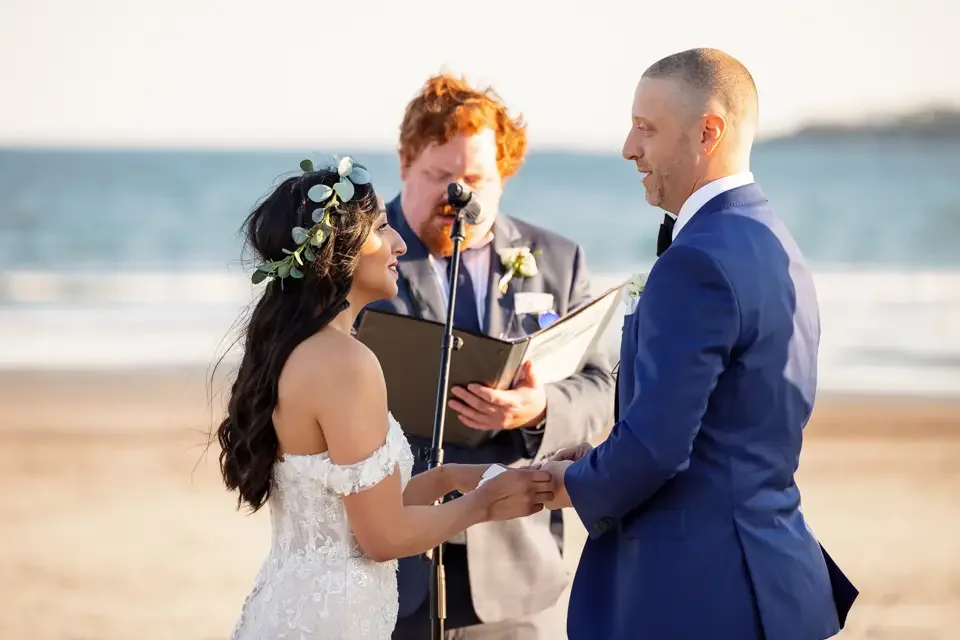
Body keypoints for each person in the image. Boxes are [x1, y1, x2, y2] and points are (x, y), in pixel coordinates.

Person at [539, 49, 859, 639]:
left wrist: (570, 483)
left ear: (708, 131)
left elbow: (658, 448)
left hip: (699, 592)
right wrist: (600, 458)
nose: (628, 148)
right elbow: (727, 425)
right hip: (776, 578)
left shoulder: (698, 260)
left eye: (646, 128)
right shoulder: (775, 241)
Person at [216, 156, 556, 640]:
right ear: (339, 249)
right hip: (332, 622)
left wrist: (449, 478)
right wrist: (482, 505)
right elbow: (382, 538)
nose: (399, 243)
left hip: (297, 605)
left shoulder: (296, 349)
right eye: (380, 227)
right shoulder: (346, 362)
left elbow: (356, 516)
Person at [360, 74, 615, 639]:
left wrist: (540, 407)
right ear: (404, 164)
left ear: (504, 176)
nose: (458, 194)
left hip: (514, 565)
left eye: (475, 179)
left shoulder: (559, 260)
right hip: (390, 562)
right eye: (439, 176)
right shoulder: (357, 258)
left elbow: (603, 386)